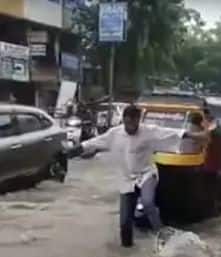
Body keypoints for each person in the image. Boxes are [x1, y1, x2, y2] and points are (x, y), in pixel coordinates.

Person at [66, 104, 206, 248]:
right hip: (127, 179)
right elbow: (90, 144)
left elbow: (170, 132)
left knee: (147, 202)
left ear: (139, 121)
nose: (132, 127)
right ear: (124, 120)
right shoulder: (114, 134)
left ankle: (162, 235)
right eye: (128, 123)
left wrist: (195, 135)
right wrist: (68, 154)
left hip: (146, 174)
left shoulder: (148, 131)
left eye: (135, 123)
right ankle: (127, 252)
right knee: (125, 224)